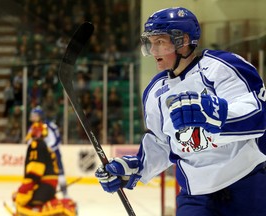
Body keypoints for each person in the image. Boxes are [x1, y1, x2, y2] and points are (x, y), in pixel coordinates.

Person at [95, 7, 266, 216]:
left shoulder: (222, 66)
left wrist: (215, 115)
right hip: (195, 196)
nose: (153, 50)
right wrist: (135, 167)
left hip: (245, 184)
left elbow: (258, 115)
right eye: (150, 43)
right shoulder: (155, 91)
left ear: (182, 41)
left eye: (160, 42)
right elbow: (161, 143)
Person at [13, 122, 77, 216]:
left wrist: (22, 191)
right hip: (50, 189)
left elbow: (34, 172)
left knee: (21, 201)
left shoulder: (36, 145)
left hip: (42, 188)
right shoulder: (46, 147)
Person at [26, 106, 69, 198]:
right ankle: (42, 195)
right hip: (41, 156)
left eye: (35, 115)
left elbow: (57, 140)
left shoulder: (50, 126)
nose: (33, 117)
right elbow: (29, 141)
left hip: (53, 155)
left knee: (60, 175)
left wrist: (48, 150)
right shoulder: (32, 127)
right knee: (41, 175)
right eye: (32, 115)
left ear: (40, 116)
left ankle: (65, 195)